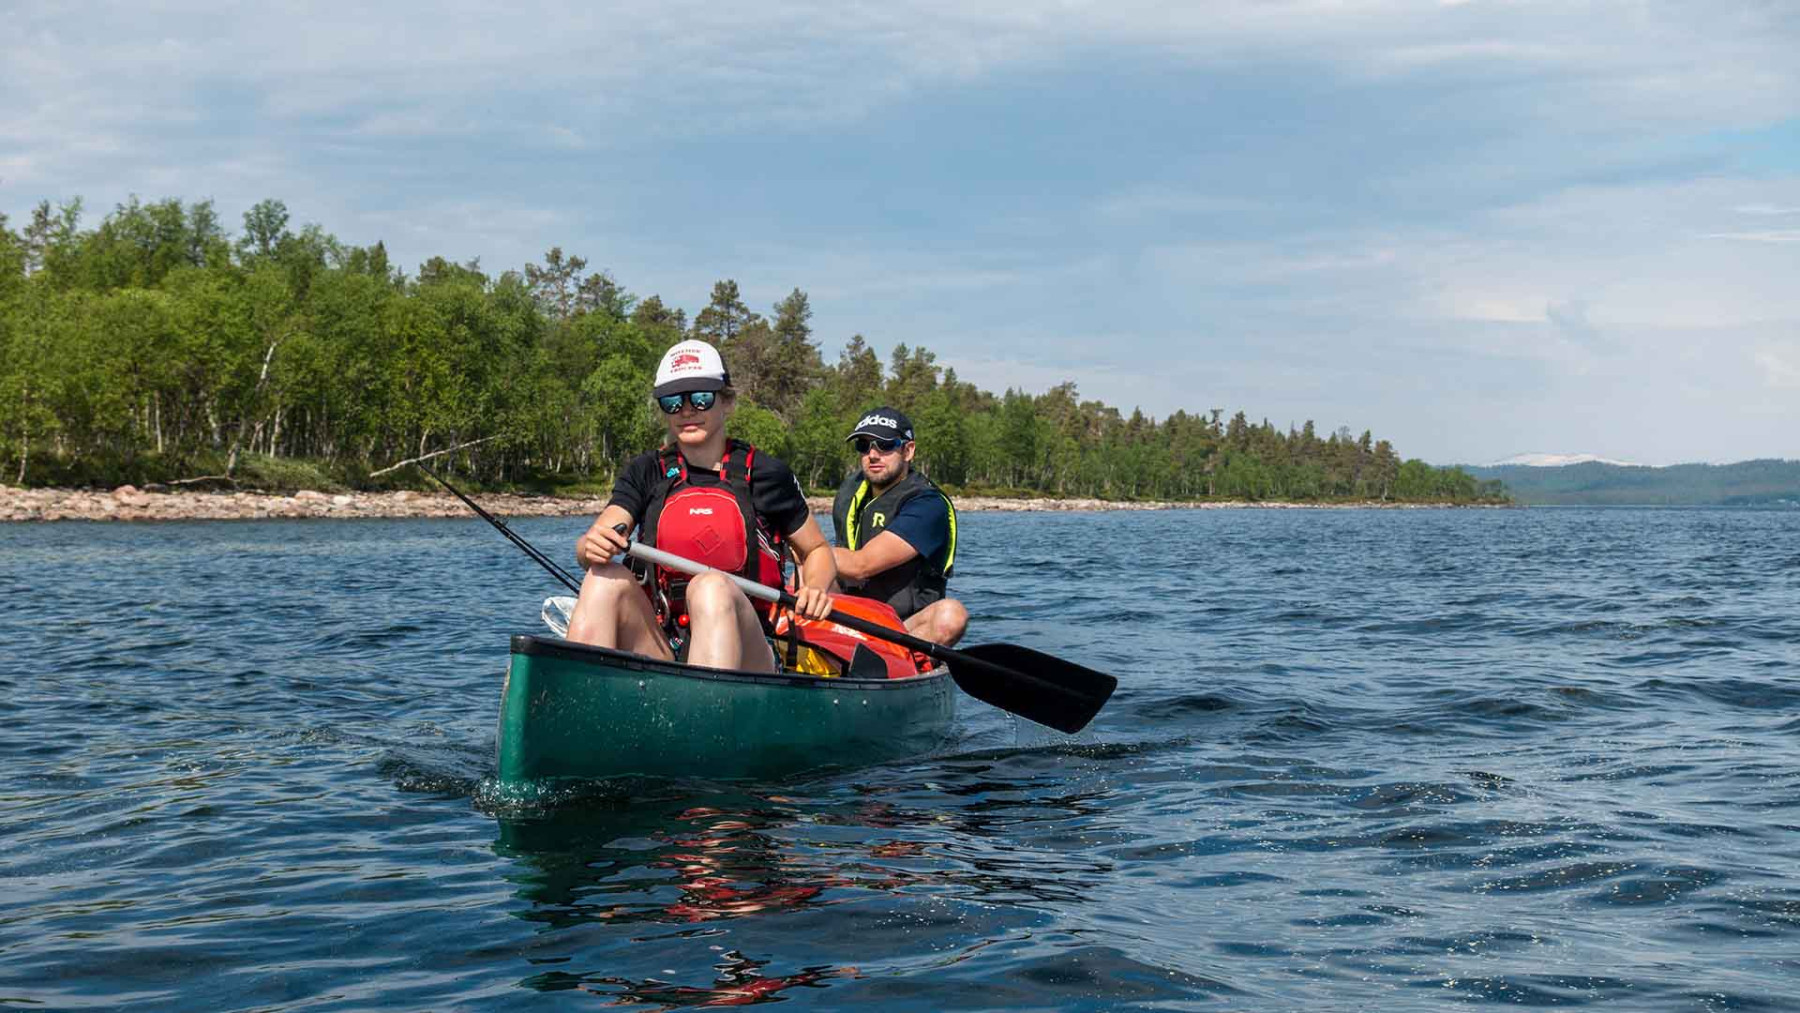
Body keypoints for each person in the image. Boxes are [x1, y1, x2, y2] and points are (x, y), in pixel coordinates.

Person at [566, 339, 836, 670]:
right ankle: (581, 700)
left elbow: (817, 550)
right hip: (665, 644)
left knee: (710, 587)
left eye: (701, 398)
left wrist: (817, 588)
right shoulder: (647, 471)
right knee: (601, 577)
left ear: (727, 403)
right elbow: (593, 540)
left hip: (752, 649)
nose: (688, 410)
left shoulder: (766, 474)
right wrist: (589, 547)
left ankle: (708, 714)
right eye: (673, 402)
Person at [829, 406, 967, 646]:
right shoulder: (851, 491)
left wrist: (809, 549)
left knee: (951, 615)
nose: (873, 455)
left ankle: (889, 660)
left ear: (908, 450)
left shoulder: (928, 505)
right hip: (853, 615)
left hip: (903, 628)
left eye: (885, 445)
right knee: (803, 577)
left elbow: (862, 565)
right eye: (864, 445)